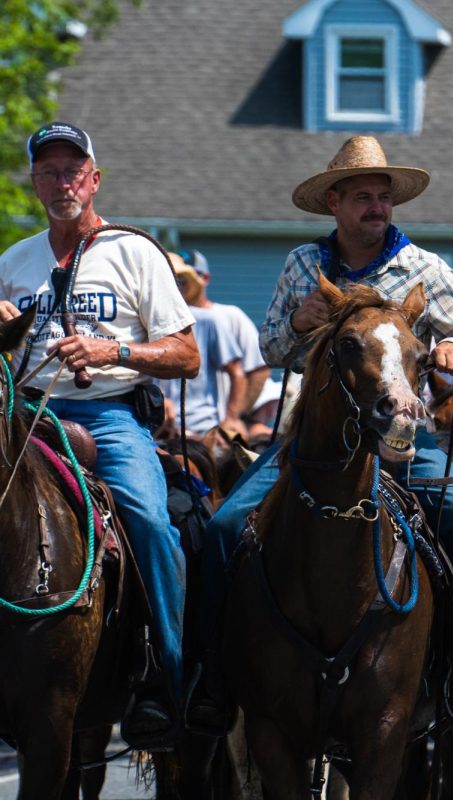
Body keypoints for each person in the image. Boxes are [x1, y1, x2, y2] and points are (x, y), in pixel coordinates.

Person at [197, 135, 453, 728]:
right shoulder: (302, 266)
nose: (376, 208)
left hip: (403, 436)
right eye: (362, 197)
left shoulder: (425, 270)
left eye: (383, 198)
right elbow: (271, 349)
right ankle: (209, 672)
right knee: (222, 527)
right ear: (333, 202)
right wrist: (296, 321)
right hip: (311, 443)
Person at [0, 122, 200, 748]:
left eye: (72, 171)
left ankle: (168, 678)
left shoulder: (135, 252)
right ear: (34, 183)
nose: (61, 183)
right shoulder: (13, 261)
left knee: (148, 518)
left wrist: (111, 347)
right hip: (28, 416)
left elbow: (187, 354)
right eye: (49, 172)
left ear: (93, 180)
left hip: (109, 415)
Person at [176, 249, 270, 431]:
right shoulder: (163, 319)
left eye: (187, 277)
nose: (181, 284)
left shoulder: (228, 316)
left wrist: (235, 416)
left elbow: (259, 369)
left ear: (205, 278)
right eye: (176, 278)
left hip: (210, 426)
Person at [157, 254, 248, 437]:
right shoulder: (143, 324)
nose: (175, 287)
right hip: (158, 428)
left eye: (180, 281)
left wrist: (231, 419)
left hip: (203, 429)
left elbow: (237, 374)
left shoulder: (209, 321)